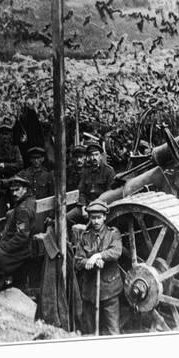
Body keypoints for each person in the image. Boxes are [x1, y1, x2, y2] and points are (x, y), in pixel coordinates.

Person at [75, 200, 122, 335]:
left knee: (113, 330)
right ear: (89, 218)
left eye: (99, 218)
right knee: (90, 332)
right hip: (90, 292)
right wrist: (88, 262)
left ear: (105, 217)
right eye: (93, 218)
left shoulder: (113, 234)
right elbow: (78, 261)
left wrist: (98, 256)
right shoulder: (84, 237)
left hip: (109, 291)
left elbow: (116, 252)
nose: (96, 221)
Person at [0, 176, 37, 291]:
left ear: (25, 189)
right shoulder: (28, 201)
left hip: (21, 250)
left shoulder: (23, 208)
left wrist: (5, 247)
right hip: (24, 244)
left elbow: (22, 236)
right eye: (12, 190)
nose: (14, 193)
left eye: (17, 190)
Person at [66, 141, 115, 225]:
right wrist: (83, 208)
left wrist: (97, 207)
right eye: (91, 155)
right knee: (67, 218)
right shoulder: (85, 171)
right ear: (88, 157)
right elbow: (82, 192)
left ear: (101, 156)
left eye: (96, 154)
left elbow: (110, 193)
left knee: (94, 223)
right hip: (87, 205)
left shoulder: (108, 171)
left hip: (101, 206)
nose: (94, 158)